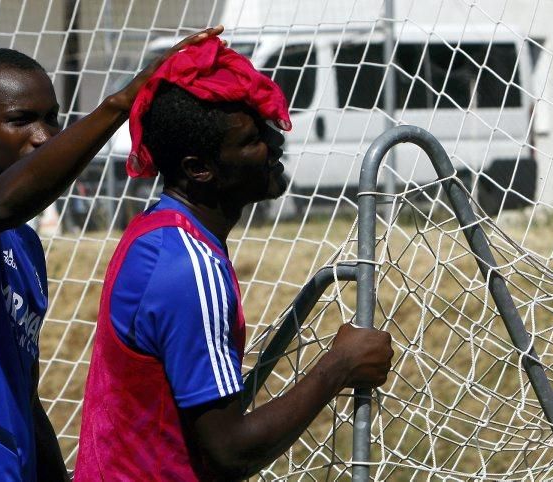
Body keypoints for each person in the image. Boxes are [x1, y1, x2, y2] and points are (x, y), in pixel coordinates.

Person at [0, 26, 224, 481]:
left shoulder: (25, 246)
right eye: (21, 119)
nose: (44, 135)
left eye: (52, 118)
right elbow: (5, 202)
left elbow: (24, 394)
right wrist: (120, 104)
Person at [75, 37, 394, 481]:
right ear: (198, 168)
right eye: (251, 139)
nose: (273, 143)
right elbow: (230, 450)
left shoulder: (157, 232)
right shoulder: (187, 266)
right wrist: (339, 365)